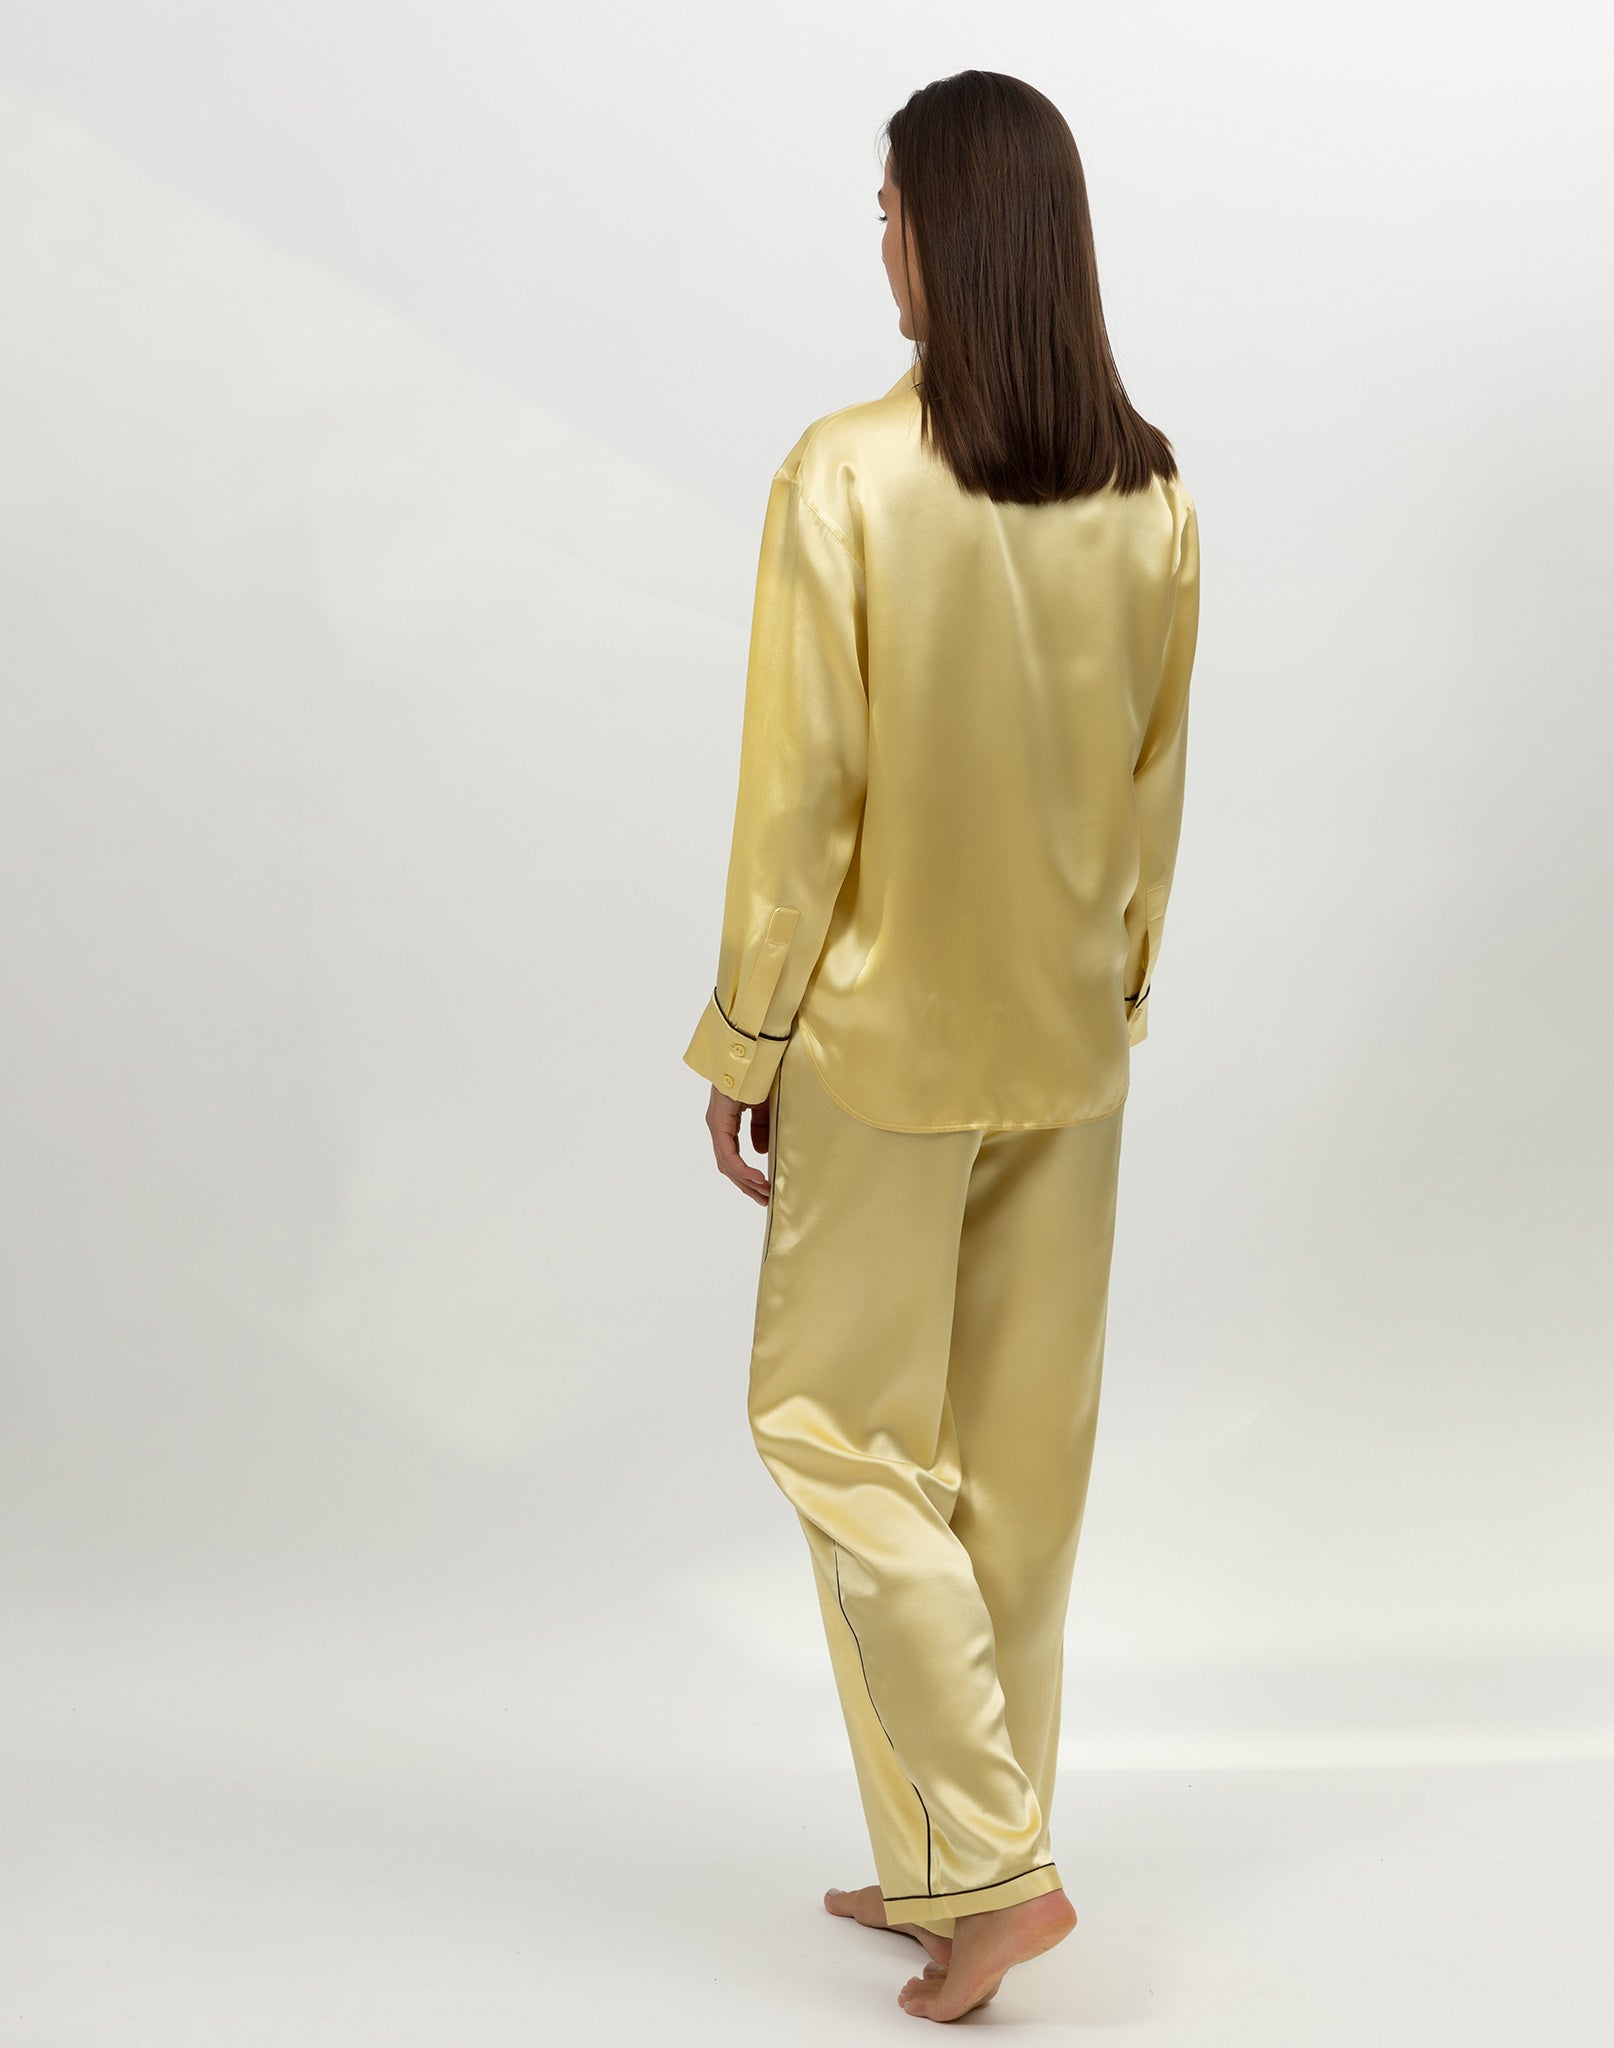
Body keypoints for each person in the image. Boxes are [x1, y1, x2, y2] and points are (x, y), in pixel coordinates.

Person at [683, 69, 1200, 2025]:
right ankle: (953, 1877)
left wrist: (746, 1030)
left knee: (831, 1429)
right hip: (1070, 1046)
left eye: (889, 208)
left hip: (882, 1045)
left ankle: (990, 1860)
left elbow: (799, 795)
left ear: (953, 232)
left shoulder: (843, 476)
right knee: (1011, 1485)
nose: (878, 241)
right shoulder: (1152, 496)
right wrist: (1115, 996)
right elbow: (1152, 794)